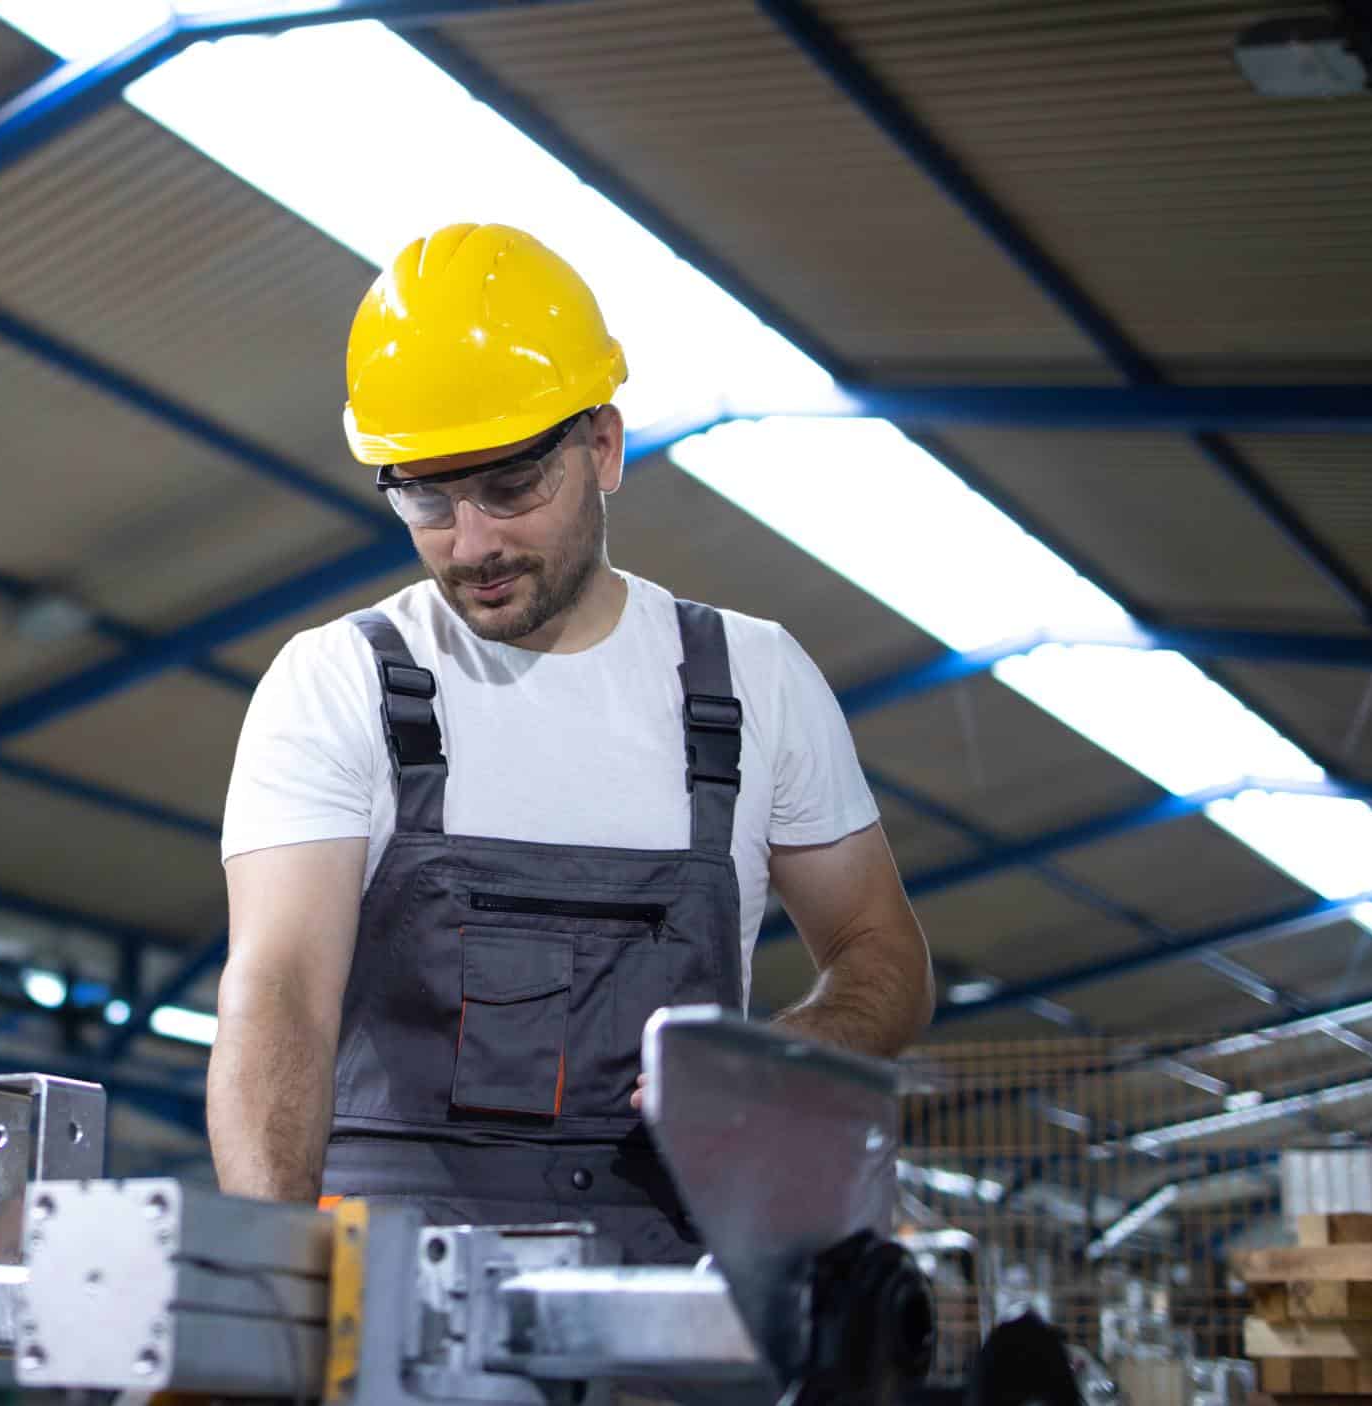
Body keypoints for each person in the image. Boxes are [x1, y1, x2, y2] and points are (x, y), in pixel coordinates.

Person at [210, 223, 935, 1265]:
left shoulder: (753, 680)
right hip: (393, 1299)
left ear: (602, 445)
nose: (471, 543)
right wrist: (273, 1279)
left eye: (511, 487)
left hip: (671, 1289)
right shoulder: (338, 683)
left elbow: (884, 953)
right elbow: (276, 989)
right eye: (425, 495)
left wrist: (779, 1056)